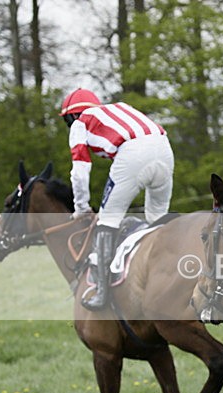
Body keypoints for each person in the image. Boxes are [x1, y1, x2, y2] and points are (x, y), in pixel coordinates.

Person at [60, 88, 174, 311]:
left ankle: (101, 292)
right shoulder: (121, 107)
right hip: (164, 147)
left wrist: (81, 207)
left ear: (72, 115)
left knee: (107, 221)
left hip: (132, 152)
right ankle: (168, 276)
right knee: (158, 220)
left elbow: (80, 170)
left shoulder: (79, 123)